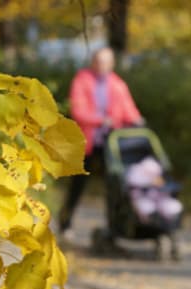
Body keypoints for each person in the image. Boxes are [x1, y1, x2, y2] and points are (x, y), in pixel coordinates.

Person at [58, 47, 144, 234]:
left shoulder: (118, 84)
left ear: (112, 64)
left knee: (115, 185)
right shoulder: (81, 80)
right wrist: (101, 120)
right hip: (86, 142)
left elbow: (129, 109)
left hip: (111, 143)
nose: (101, 65)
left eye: (106, 62)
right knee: (77, 185)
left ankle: (114, 226)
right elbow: (78, 111)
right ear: (93, 62)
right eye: (98, 61)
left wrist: (138, 121)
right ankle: (65, 223)